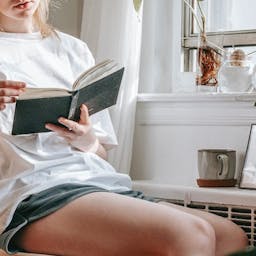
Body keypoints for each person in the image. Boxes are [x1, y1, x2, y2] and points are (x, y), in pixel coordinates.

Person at [0, 0, 249, 256]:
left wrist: (86, 140)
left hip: (96, 183)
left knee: (230, 238)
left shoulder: (72, 49)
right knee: (189, 235)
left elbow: (100, 153)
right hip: (31, 194)